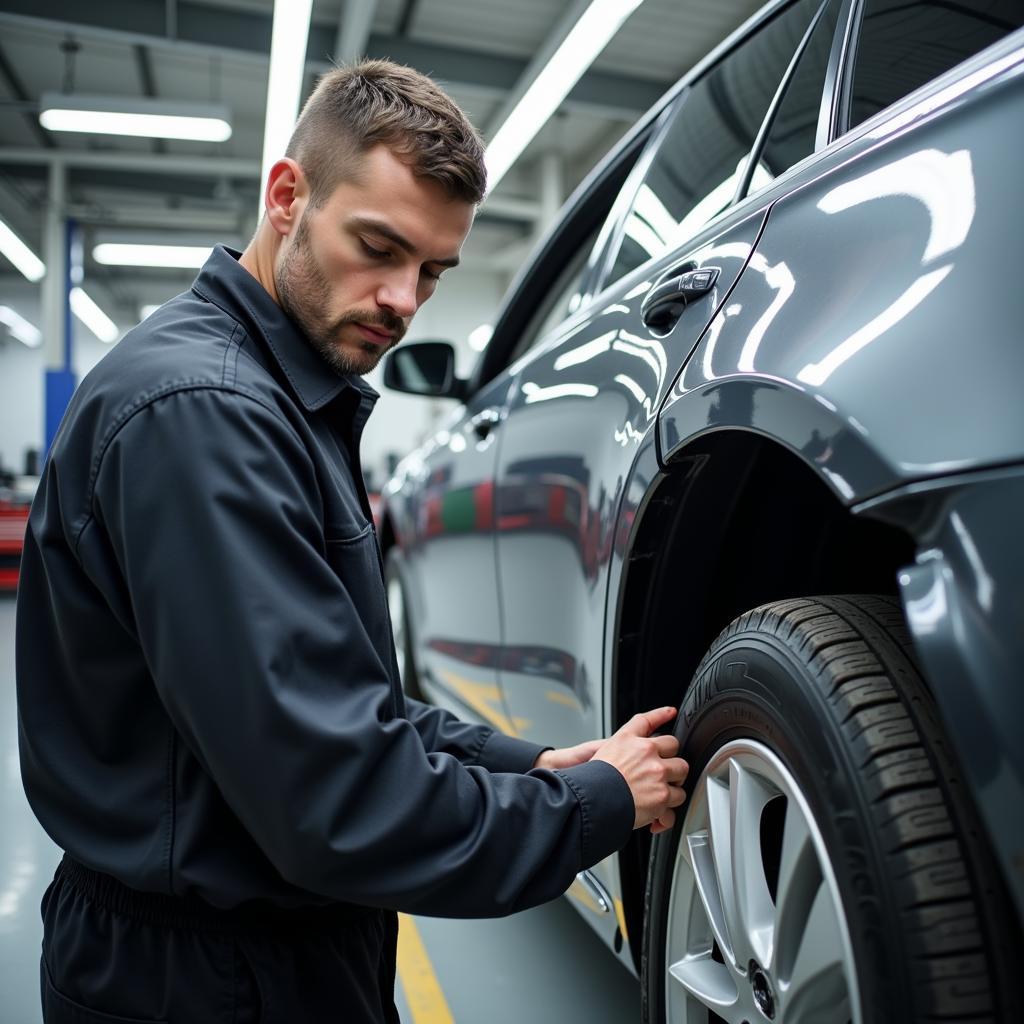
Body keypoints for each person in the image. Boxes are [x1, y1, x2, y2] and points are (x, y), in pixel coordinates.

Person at [16, 60, 688, 1023]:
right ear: (288, 197)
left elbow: (340, 698)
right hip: (200, 984)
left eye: (431, 272)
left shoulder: (278, 397)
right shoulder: (205, 415)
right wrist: (593, 807)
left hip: (262, 953)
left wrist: (524, 767)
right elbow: (333, 797)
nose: (404, 299)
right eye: (379, 247)